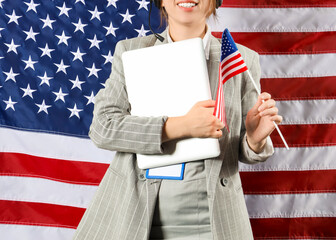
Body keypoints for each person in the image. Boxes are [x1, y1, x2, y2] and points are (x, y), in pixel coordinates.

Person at [73, 0, 282, 239]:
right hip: (138, 219)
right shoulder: (131, 52)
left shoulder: (241, 60)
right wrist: (182, 126)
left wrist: (255, 140)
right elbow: (102, 127)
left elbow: (245, 149)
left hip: (215, 223)